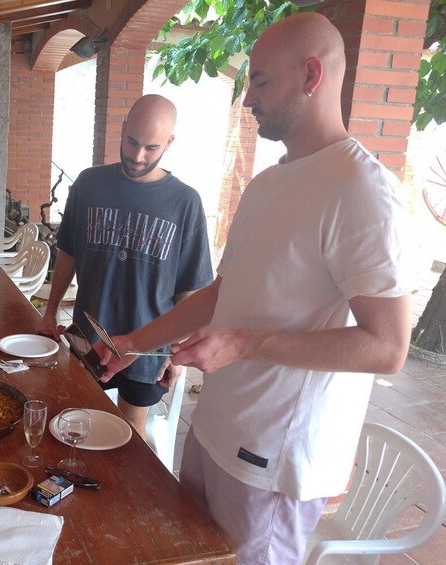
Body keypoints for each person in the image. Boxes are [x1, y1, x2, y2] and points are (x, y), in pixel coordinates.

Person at [96, 12, 413, 564]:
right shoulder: (268, 183)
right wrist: (131, 343)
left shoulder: (363, 191)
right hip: (214, 429)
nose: (248, 99)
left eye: (261, 81)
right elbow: (223, 293)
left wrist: (243, 344)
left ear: (312, 75)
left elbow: (387, 347)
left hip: (273, 461)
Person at [37, 93, 214, 437]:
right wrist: (49, 311)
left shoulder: (185, 203)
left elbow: (189, 292)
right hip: (88, 335)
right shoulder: (89, 184)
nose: (137, 156)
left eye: (151, 148)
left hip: (148, 347)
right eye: (132, 142)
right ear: (122, 129)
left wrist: (174, 353)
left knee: (131, 433)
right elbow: (68, 253)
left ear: (170, 143)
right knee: (76, 426)